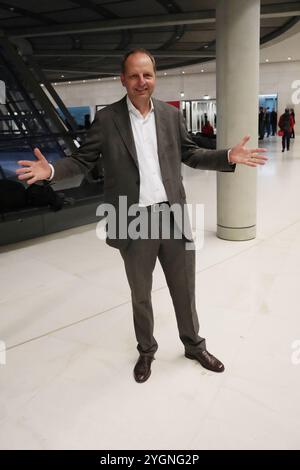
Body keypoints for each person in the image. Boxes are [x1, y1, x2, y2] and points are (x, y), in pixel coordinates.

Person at [16, 49, 267, 383]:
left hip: (172, 215)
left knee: (184, 289)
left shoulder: (169, 115)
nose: (141, 82)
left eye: (146, 75)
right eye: (134, 75)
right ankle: (146, 350)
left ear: (155, 76)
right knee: (141, 294)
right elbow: (80, 161)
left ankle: (193, 345)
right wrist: (49, 170)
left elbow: (191, 154)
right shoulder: (107, 120)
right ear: (123, 79)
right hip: (132, 220)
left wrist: (227, 156)